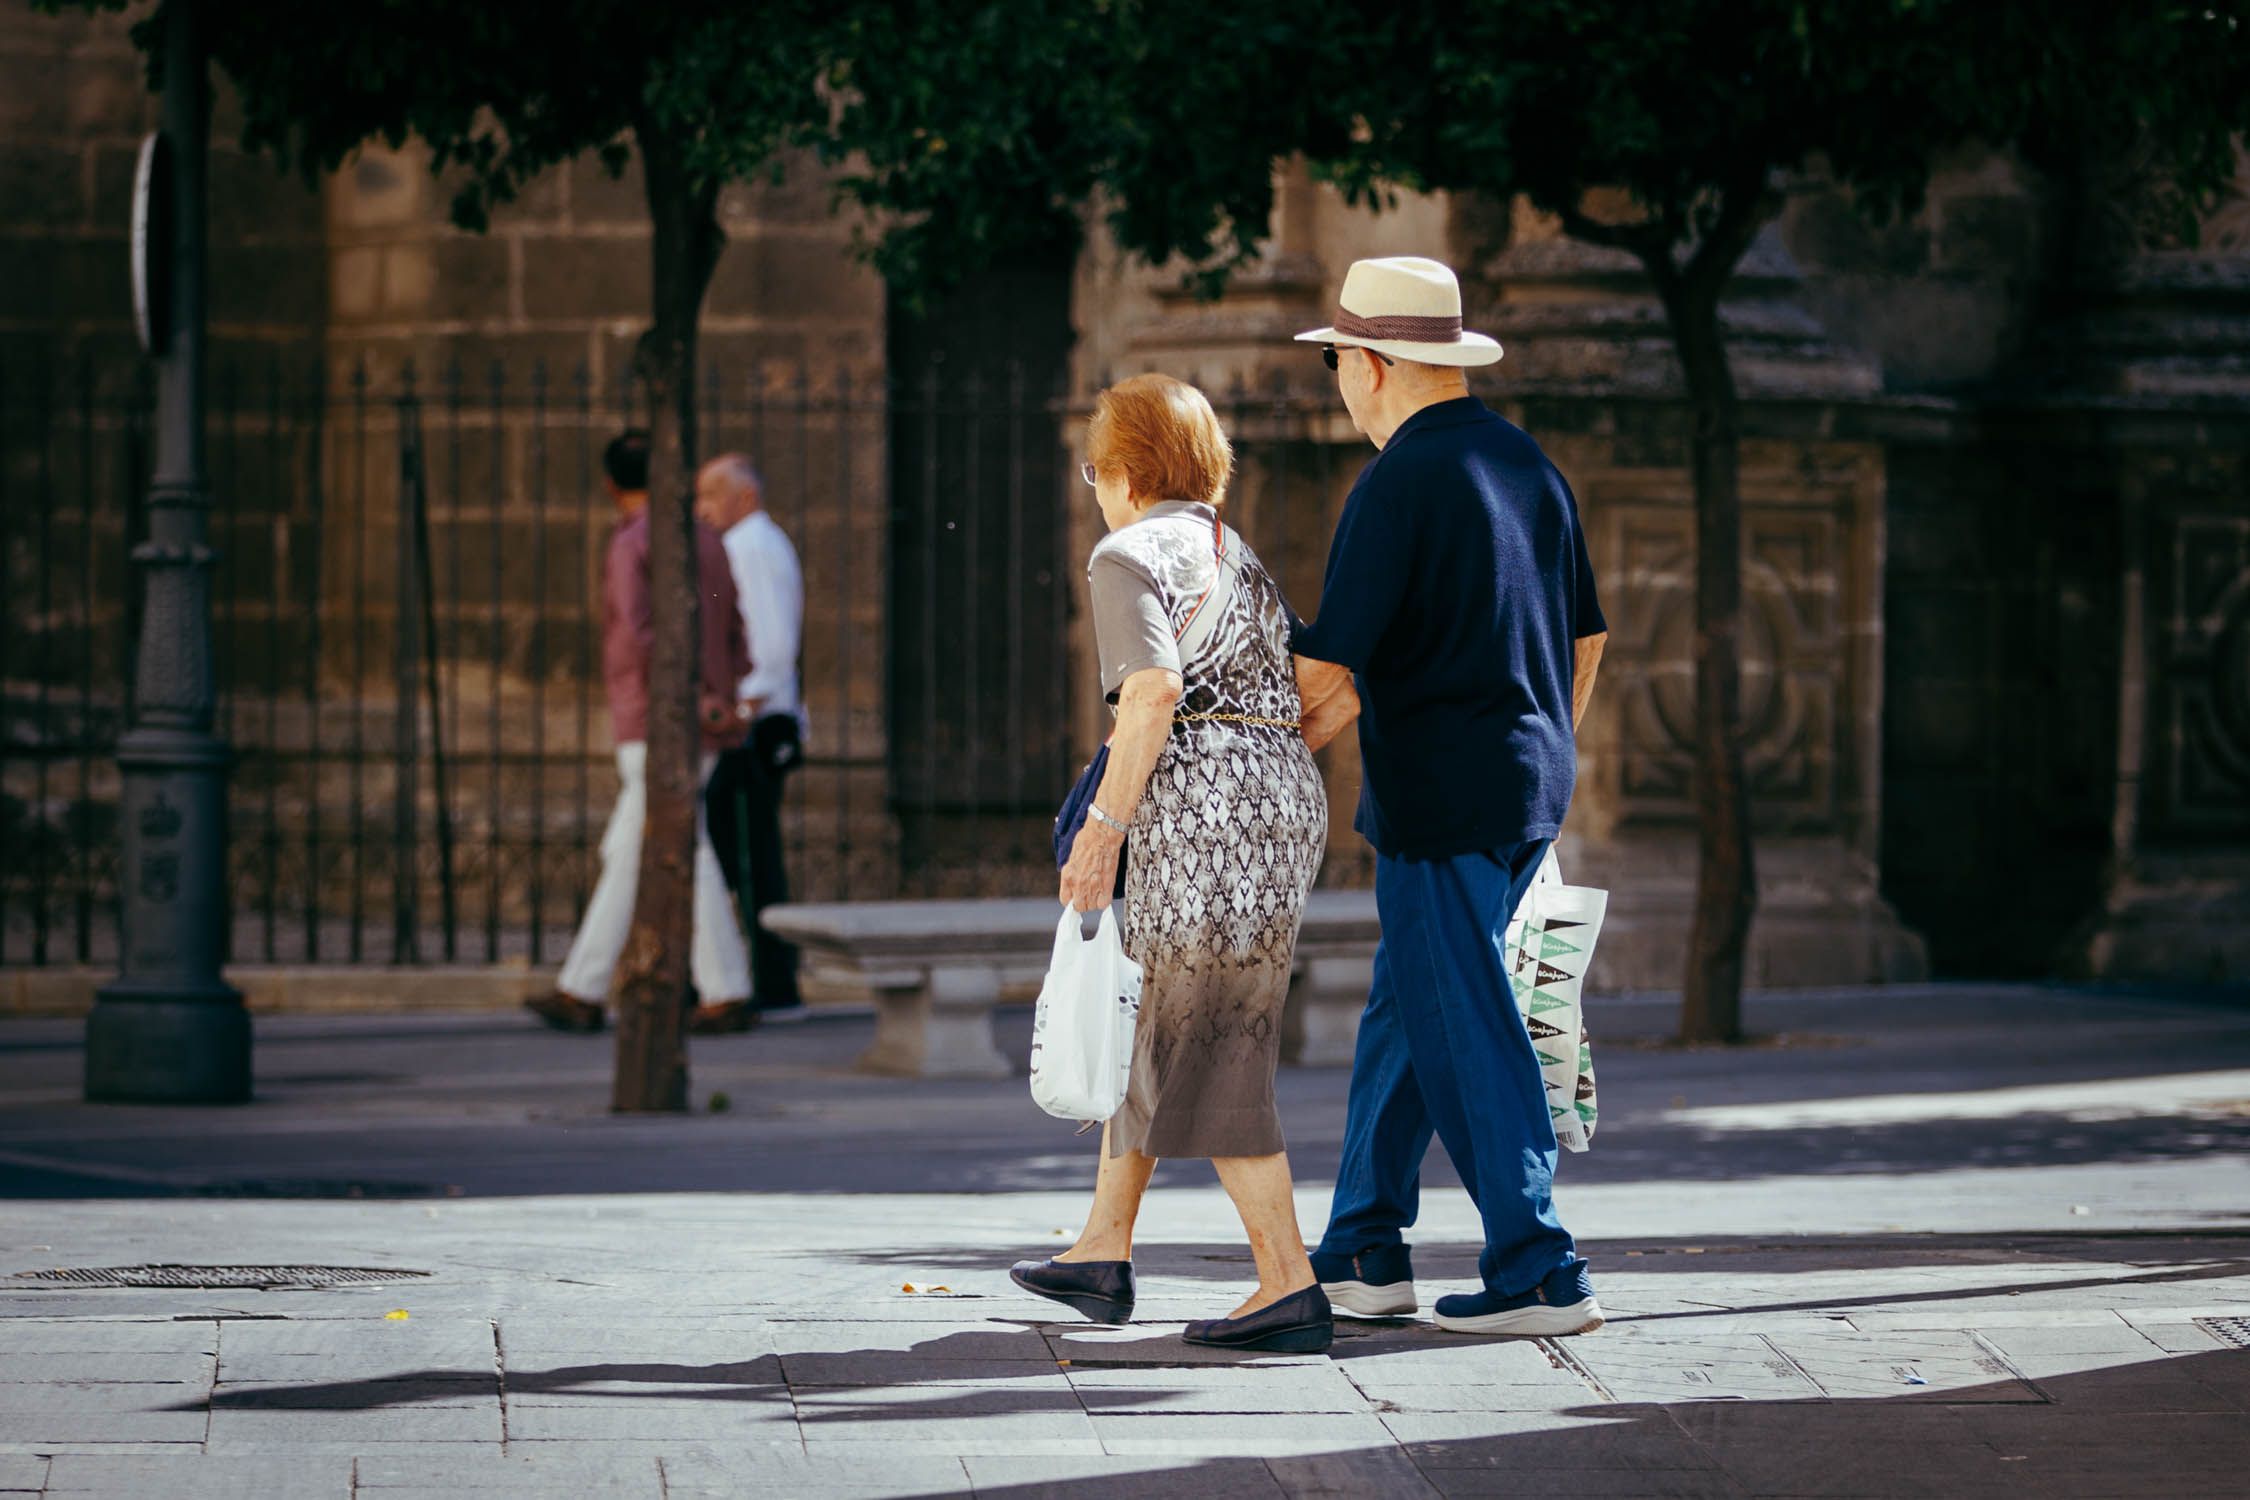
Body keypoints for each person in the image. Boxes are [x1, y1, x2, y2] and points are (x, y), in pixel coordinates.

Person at [1288, 257, 1611, 1337]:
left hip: (1439, 798)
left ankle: (1537, 1263)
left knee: (1462, 1017)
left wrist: (1241, 741)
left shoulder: (1396, 483)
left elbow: (1328, 676)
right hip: (1527, 785)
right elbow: (1589, 639)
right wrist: (1538, 742)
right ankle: (1363, 1246)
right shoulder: (1530, 466)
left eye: (1338, 358)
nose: (1337, 377)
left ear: (1375, 363)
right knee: (1407, 1012)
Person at [1009, 374, 1339, 1354]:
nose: (1093, 488)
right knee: (1164, 1019)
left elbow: (1149, 696)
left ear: (1123, 470)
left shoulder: (1127, 551)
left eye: (1093, 469)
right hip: (1276, 803)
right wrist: (1259, 775)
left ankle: (1287, 1283)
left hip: (1197, 818)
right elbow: (1328, 686)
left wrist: (1102, 830)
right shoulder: (1232, 551)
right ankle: (1103, 1249)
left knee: (1214, 1035)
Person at [525, 432, 758, 1034]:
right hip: (702, 715)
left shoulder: (634, 542)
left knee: (670, 846)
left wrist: (689, 697)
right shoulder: (707, 538)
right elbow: (734, 624)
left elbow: (636, 633)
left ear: (610, 485)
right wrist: (722, 695)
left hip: (652, 718)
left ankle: (606, 989)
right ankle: (587, 988)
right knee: (643, 847)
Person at [692, 453, 808, 1031]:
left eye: (709, 497)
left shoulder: (750, 547)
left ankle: (770, 981)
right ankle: (763, 977)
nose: (701, 511)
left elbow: (770, 646)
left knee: (741, 853)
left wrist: (741, 709)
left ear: (743, 497)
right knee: (742, 852)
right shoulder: (757, 544)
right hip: (758, 721)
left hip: (754, 726)